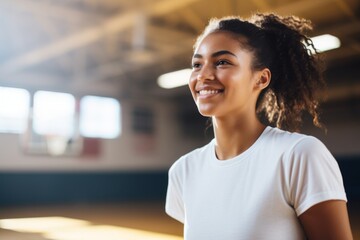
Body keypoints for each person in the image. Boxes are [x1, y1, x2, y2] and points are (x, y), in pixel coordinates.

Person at [165, 13, 353, 239]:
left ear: (261, 79)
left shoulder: (299, 155)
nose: (203, 75)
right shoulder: (184, 171)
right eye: (197, 64)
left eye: (222, 62)